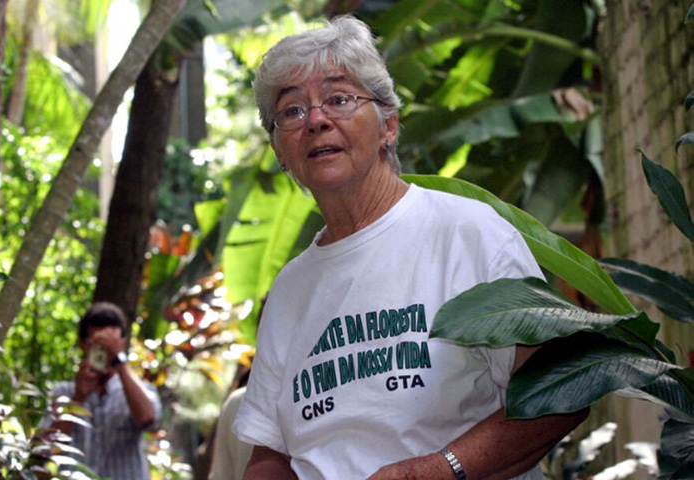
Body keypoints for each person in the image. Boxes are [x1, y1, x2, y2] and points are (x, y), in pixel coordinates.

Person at [230, 15, 589, 480]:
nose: (316, 120)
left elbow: (562, 390)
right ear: (280, 151)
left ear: (389, 127)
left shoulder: (470, 233)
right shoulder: (289, 289)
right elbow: (269, 454)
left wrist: (439, 470)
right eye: (292, 111)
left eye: (338, 99)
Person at [42, 302, 162, 480]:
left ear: (122, 344)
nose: (106, 353)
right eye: (99, 345)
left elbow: (149, 419)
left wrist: (120, 363)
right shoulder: (64, 392)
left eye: (111, 346)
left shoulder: (137, 391)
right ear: (83, 345)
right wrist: (78, 397)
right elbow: (44, 450)